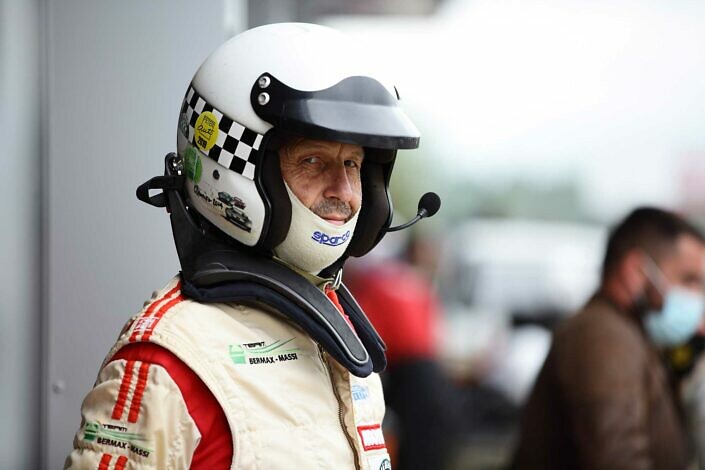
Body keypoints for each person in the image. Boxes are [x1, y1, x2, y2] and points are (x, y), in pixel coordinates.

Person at [65, 23, 432, 469]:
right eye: (313, 160)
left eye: (353, 164)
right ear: (234, 165)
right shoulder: (169, 360)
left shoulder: (338, 328)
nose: (345, 192)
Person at [513, 207, 705, 469]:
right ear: (636, 271)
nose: (696, 297)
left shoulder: (626, 332)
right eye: (689, 280)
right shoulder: (603, 335)